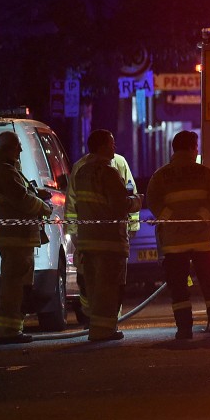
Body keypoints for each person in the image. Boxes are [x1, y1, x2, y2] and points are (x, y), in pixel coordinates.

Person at [145, 130, 210, 340]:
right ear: (192, 149)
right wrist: (202, 216)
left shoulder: (161, 175)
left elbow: (153, 200)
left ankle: (184, 330)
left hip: (174, 242)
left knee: (179, 288)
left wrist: (171, 217)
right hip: (202, 240)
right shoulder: (204, 172)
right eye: (196, 147)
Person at [72, 129, 139, 341]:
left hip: (88, 242)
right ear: (102, 146)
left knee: (94, 288)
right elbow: (120, 205)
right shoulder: (109, 173)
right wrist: (137, 200)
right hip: (109, 242)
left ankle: (96, 329)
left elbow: (76, 205)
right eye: (111, 144)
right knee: (111, 288)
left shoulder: (81, 172)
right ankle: (105, 330)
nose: (114, 148)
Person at [0, 130, 53, 345]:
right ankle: (8, 331)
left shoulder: (7, 169)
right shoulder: (4, 171)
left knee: (17, 286)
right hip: (15, 238)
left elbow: (23, 194)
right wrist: (44, 207)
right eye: (18, 146)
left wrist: (37, 194)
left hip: (17, 238)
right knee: (14, 287)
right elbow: (22, 200)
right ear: (10, 147)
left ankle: (12, 328)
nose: (21, 150)